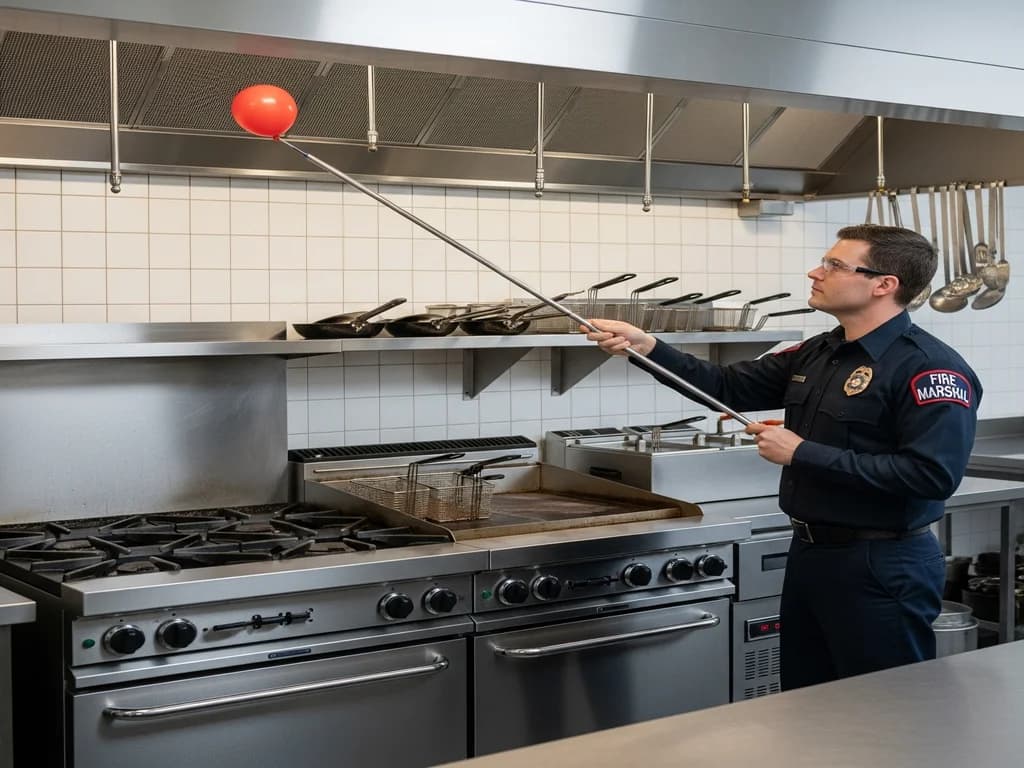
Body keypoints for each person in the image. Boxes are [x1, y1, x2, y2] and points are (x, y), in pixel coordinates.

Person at [585, 224, 981, 690]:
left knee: (885, 710)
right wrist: (646, 346)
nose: (816, 271)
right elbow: (726, 386)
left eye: (835, 265)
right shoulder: (821, 351)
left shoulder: (929, 367)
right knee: (806, 703)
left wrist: (802, 453)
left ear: (883, 284)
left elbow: (931, 476)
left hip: (882, 562)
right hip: (812, 555)